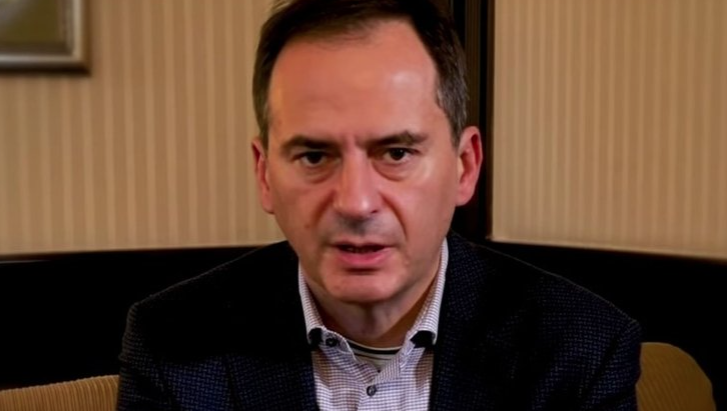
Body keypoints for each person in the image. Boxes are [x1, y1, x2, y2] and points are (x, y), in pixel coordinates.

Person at [116, 0, 641, 409]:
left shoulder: (580, 348)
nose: (357, 202)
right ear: (264, 174)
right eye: (314, 156)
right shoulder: (171, 344)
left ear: (465, 166)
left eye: (396, 153)